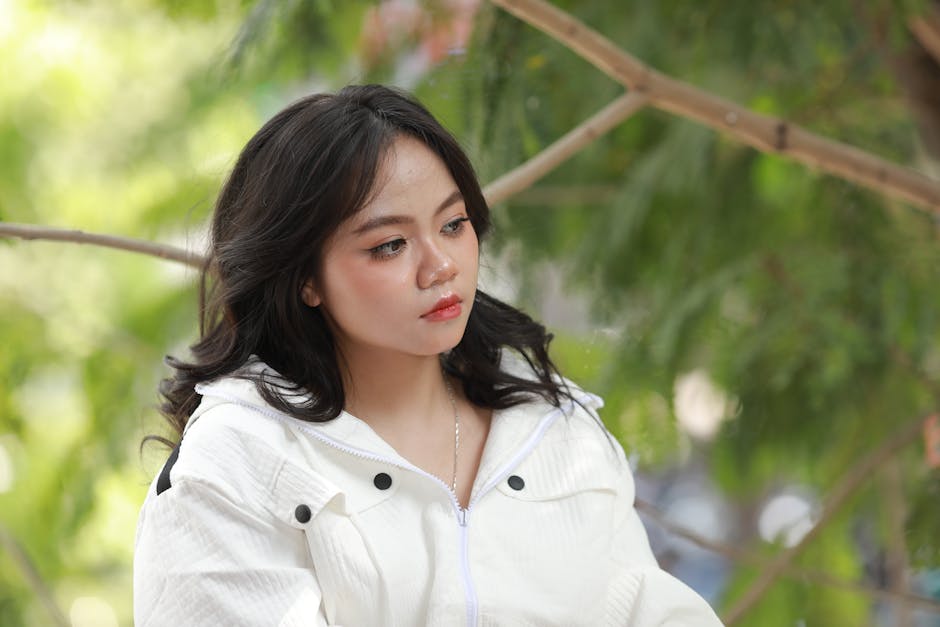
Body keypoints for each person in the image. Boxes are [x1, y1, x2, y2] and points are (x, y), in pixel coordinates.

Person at [133, 84, 723, 626]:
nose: (440, 266)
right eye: (390, 245)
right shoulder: (236, 464)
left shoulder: (557, 431)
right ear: (304, 277)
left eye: (453, 224)